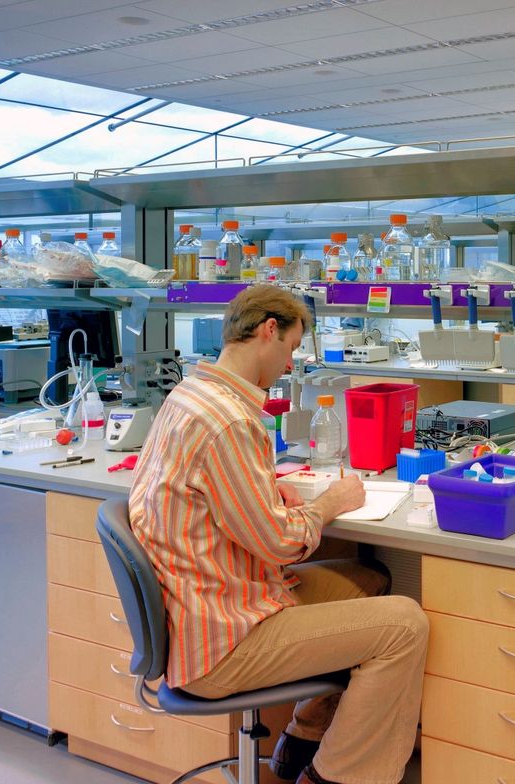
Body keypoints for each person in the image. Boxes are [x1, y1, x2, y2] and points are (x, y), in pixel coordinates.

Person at [129, 285, 427, 784]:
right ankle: (333, 777)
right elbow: (281, 544)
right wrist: (329, 503)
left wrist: (270, 493)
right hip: (221, 639)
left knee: (369, 578)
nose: (291, 363)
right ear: (269, 330)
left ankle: (303, 740)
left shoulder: (191, 394)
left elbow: (212, 498)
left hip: (201, 603)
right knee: (405, 624)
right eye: (290, 348)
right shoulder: (228, 421)